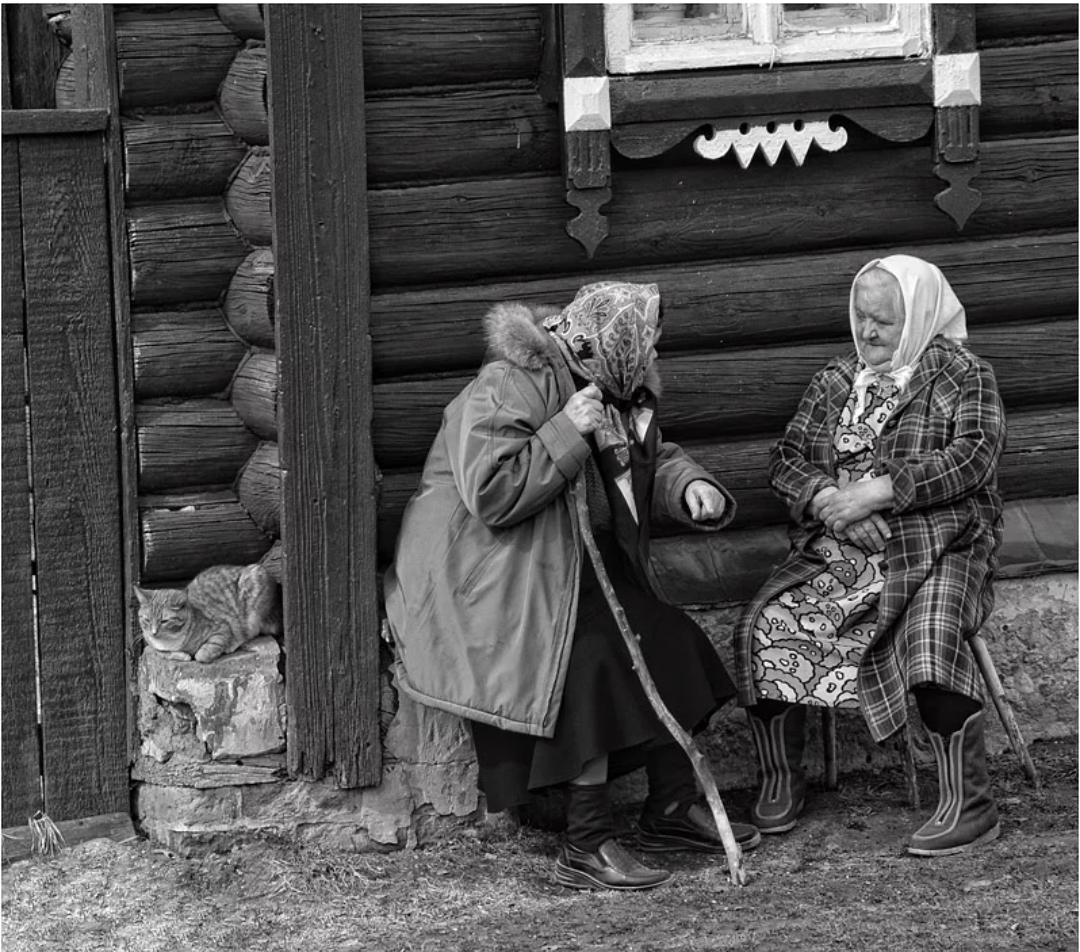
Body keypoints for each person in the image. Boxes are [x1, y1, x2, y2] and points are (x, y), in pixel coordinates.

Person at [385, 281, 760, 891]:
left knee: (667, 636)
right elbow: (491, 494)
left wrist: (688, 484)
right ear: (613, 343)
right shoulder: (510, 382)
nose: (655, 358)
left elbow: (646, 457)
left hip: (563, 563)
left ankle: (669, 805)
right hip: (487, 576)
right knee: (588, 661)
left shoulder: (611, 385)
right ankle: (586, 843)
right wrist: (564, 428)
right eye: (651, 347)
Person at [734, 254, 1006, 856]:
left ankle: (971, 802)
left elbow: (974, 458)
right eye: (860, 317)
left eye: (882, 319)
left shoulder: (962, 375)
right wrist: (829, 498)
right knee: (764, 622)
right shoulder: (836, 380)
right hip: (842, 548)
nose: (867, 331)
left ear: (918, 315)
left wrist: (878, 492)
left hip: (940, 546)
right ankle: (782, 778)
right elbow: (786, 459)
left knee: (931, 635)